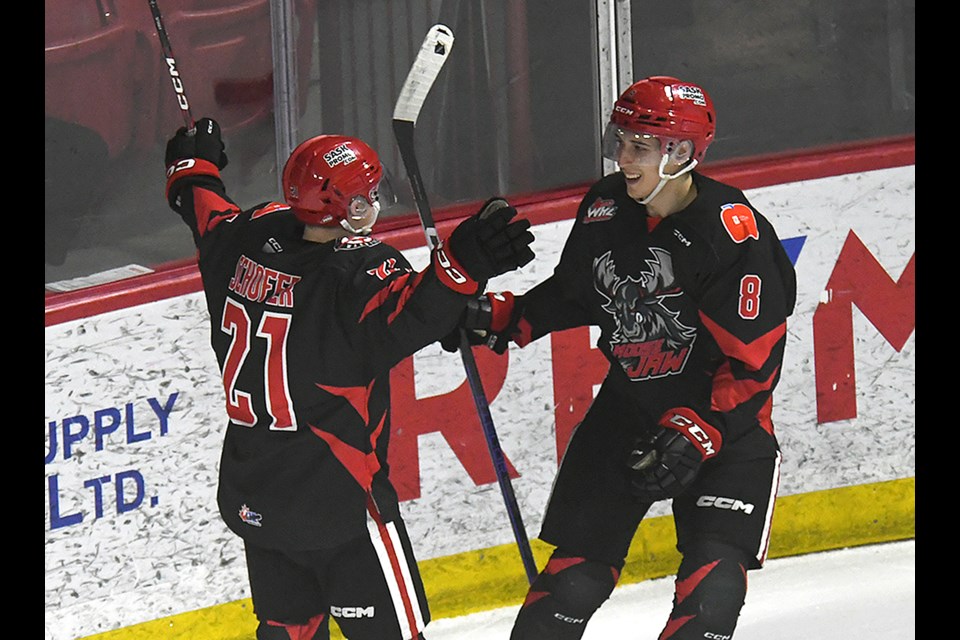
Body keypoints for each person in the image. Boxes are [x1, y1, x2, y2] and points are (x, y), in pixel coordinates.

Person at [448, 76, 797, 639]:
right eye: (622, 141)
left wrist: (702, 429)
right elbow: (575, 292)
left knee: (712, 593)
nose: (622, 157)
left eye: (640, 146)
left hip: (723, 425)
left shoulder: (732, 232)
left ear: (681, 153)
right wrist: (505, 317)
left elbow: (755, 364)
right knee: (568, 586)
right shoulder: (606, 208)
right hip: (629, 410)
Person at [163, 117, 535, 640]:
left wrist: (191, 166)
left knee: (287, 633)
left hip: (258, 497)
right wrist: (463, 261)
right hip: (343, 505)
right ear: (345, 207)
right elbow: (413, 314)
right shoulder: (356, 273)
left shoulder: (246, 236)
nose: (374, 201)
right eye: (366, 195)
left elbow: (200, 206)